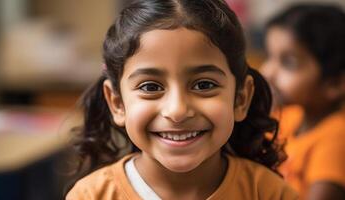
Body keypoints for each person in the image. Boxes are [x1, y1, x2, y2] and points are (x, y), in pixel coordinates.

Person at [66, 0, 297, 199]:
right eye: (150, 87)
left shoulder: (269, 193)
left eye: (204, 85)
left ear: (240, 99)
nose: (177, 110)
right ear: (117, 103)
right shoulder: (90, 196)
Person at [261, 4, 345, 200]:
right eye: (269, 57)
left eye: (288, 63)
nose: (268, 72)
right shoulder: (288, 117)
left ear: (335, 83)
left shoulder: (336, 138)